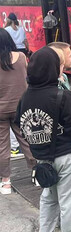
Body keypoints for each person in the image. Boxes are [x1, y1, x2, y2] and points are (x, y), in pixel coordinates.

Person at [15, 47, 71, 232]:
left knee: (49, 202)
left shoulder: (25, 98)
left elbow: (20, 125)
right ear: (53, 69)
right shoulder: (63, 96)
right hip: (70, 159)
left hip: (44, 160)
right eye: (59, 65)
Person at [0, 29, 36, 195]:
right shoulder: (21, 57)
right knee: (27, 140)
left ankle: (6, 182)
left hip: (1, 111)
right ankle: (38, 174)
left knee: (2, 146)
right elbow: (27, 77)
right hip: (20, 107)